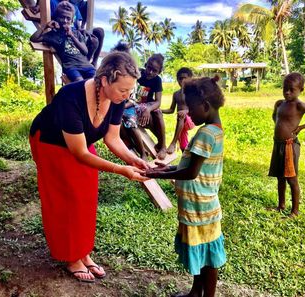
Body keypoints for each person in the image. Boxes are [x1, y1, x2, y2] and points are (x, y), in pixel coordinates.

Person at [29, 51, 149, 283]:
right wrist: (120, 170)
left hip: (79, 144)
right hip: (50, 143)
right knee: (64, 199)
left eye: (129, 90)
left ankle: (83, 252)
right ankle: (71, 257)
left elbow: (112, 139)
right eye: (123, 90)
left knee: (85, 197)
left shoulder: (116, 99)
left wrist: (132, 160)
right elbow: (80, 153)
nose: (127, 95)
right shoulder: (70, 96)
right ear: (104, 80)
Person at [144, 76, 227, 297]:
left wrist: (157, 176)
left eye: (191, 107)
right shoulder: (214, 130)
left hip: (201, 208)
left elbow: (190, 173)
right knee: (201, 251)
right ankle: (195, 292)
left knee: (207, 256)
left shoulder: (205, 134)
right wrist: (161, 170)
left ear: (206, 106)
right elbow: (187, 165)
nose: (187, 112)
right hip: (201, 205)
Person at [269, 72, 305, 217]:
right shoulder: (280, 103)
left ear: (300, 90)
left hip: (290, 146)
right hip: (278, 145)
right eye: (285, 89)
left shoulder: (300, 105)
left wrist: (301, 127)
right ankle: (281, 205)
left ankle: (295, 211)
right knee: (280, 177)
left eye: (291, 90)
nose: (287, 92)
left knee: (291, 178)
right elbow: (275, 117)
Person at [30, 1, 95, 82]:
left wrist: (72, 36)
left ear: (72, 21)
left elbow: (85, 51)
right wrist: (45, 26)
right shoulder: (53, 35)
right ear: (56, 18)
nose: (65, 21)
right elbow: (33, 38)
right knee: (80, 83)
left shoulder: (77, 33)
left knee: (97, 82)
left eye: (68, 18)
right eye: (62, 17)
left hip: (87, 66)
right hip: (72, 68)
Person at [121, 54, 167, 160]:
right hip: (133, 104)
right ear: (146, 65)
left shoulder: (157, 80)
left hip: (146, 105)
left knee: (158, 112)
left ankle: (163, 146)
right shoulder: (137, 74)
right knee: (128, 120)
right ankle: (140, 151)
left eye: (154, 70)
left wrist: (148, 109)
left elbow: (158, 102)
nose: (150, 72)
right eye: (149, 68)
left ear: (159, 72)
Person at [162, 67, 195, 154]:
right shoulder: (176, 94)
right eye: (180, 78)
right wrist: (160, 110)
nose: (182, 80)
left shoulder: (192, 92)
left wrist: (186, 111)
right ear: (177, 80)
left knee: (181, 116)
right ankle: (185, 156)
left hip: (190, 119)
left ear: (190, 79)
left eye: (185, 78)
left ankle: (173, 143)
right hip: (180, 122)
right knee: (183, 144)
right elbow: (171, 110)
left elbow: (196, 108)